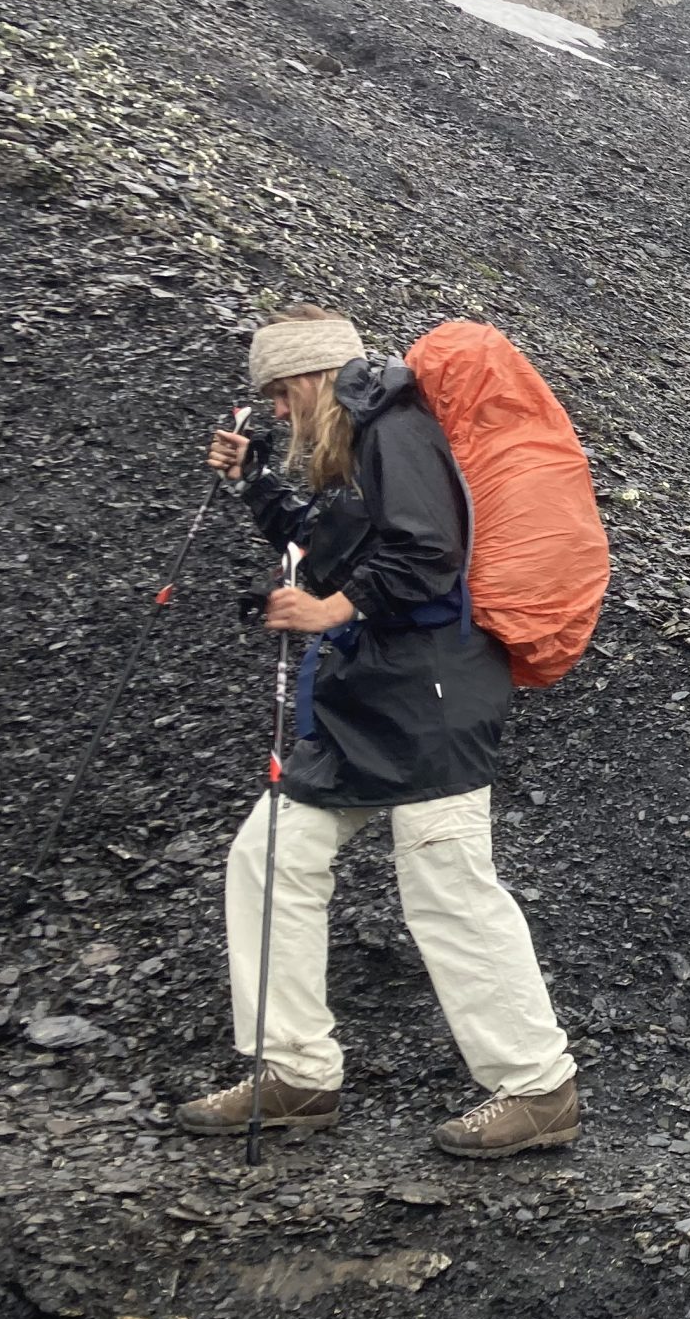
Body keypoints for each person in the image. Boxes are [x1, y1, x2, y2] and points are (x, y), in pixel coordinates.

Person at [173, 305, 580, 1159]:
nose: (277, 413)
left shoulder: (396, 429)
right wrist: (254, 481)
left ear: (314, 377)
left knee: (447, 883)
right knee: (270, 856)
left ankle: (540, 1087)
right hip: (370, 701)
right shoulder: (358, 442)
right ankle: (295, 1073)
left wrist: (330, 608)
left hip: (436, 692)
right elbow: (328, 545)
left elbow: (424, 552)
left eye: (280, 396)